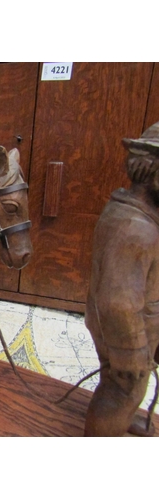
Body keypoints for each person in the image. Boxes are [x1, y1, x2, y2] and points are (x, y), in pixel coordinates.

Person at [84, 122, 159, 436]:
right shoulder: (135, 228)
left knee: (130, 389)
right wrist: (131, 353)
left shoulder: (140, 216)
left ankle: (122, 421)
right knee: (122, 390)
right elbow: (118, 302)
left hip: (139, 322)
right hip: (125, 329)